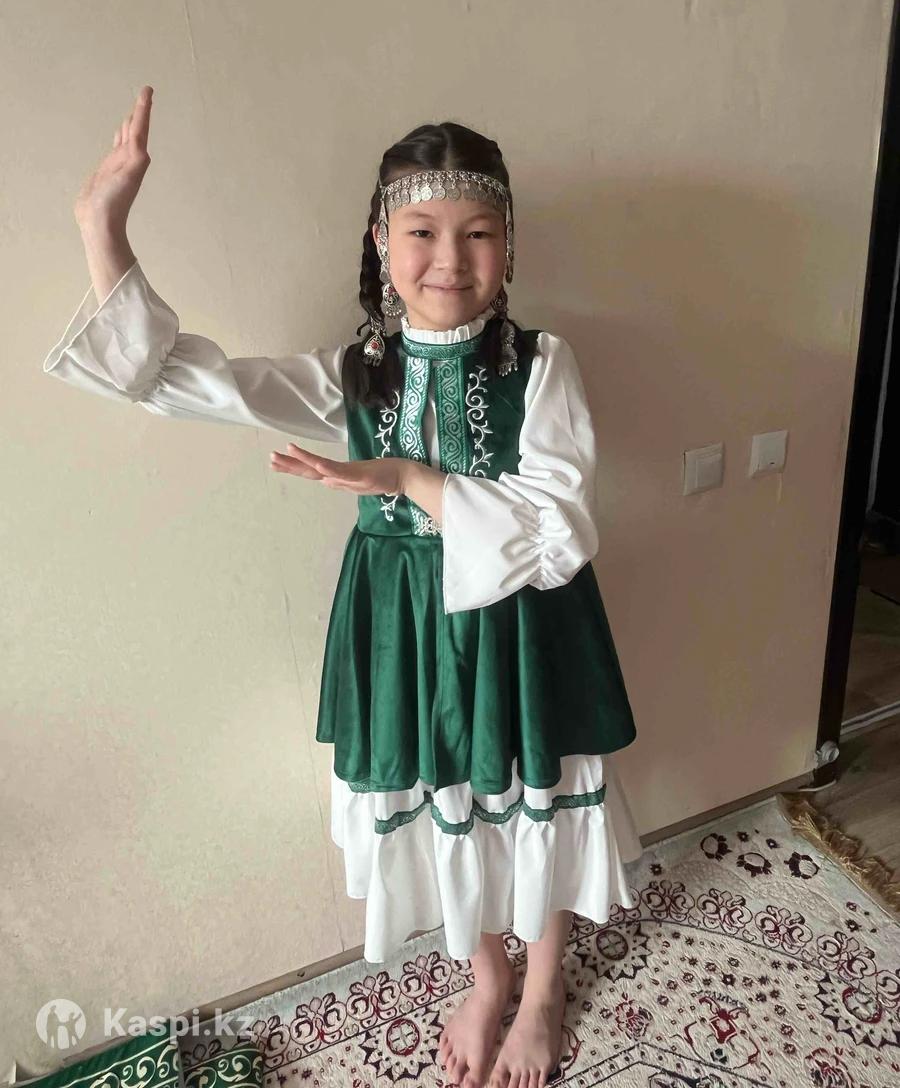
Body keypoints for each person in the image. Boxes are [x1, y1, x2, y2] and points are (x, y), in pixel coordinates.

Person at [43, 86, 643, 1088]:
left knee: (535, 797)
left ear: (509, 245)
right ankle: (487, 976)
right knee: (442, 795)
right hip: (398, 629)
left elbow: (560, 529)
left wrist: (408, 477)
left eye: (478, 232)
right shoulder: (355, 375)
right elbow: (195, 383)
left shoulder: (543, 366)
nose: (450, 259)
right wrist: (103, 230)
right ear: (380, 241)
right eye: (421, 232)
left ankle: (541, 992)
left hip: (525, 627)